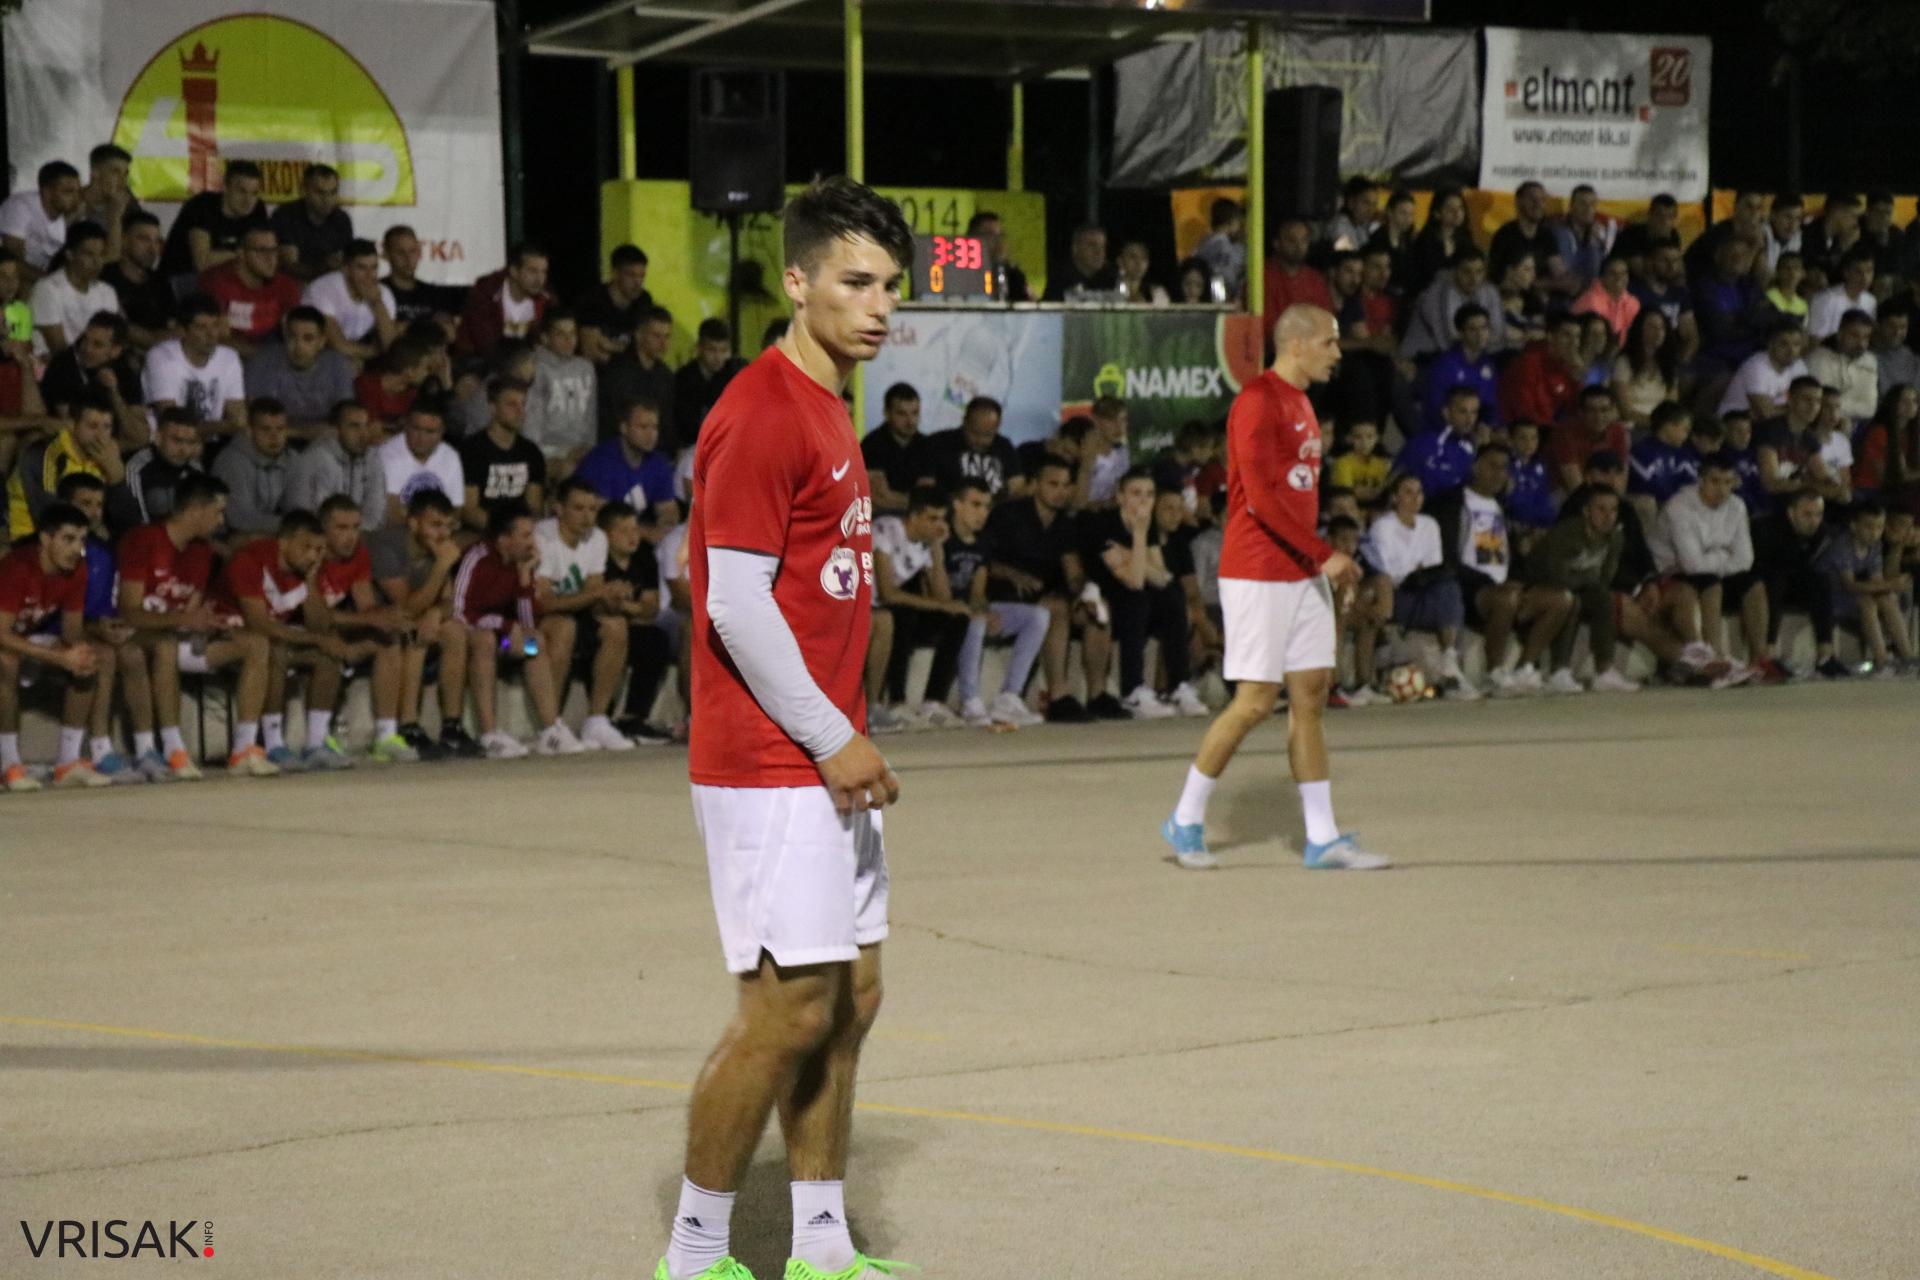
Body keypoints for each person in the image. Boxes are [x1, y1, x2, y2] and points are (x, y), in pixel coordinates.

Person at [662, 175, 910, 1280]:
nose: (879, 306)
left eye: (891, 286)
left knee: (851, 994)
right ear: (798, 280)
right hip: (773, 757)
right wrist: (829, 734)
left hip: (816, 748)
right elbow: (733, 601)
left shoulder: (828, 403)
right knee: (786, 1012)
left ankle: (818, 1244)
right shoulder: (762, 409)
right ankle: (694, 1255)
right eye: (856, 282)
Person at [1163, 304, 1382, 872]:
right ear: (1299, 343)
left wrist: (1319, 560)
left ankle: (1322, 837)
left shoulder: (1303, 403)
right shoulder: (1257, 401)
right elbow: (1259, 499)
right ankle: (1185, 818)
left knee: (1310, 696)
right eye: (1331, 343)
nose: (1338, 354)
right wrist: (1324, 554)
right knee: (1255, 701)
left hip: (1300, 570)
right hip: (1258, 570)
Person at [115, 474, 276, 779]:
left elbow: (191, 609)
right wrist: (185, 620)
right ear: (196, 510)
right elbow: (129, 612)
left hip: (177, 635)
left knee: (256, 643)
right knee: (165, 645)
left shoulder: (201, 552)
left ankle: (244, 749)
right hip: (137, 636)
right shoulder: (144, 540)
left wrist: (206, 624)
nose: (221, 520)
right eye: (217, 511)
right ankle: (172, 749)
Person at [1427, 443, 1582, 695]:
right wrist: (1487, 581)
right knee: (1506, 598)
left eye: (1504, 468)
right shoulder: (1452, 503)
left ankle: (1524, 667)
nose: (1499, 473)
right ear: (1475, 467)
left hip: (1504, 585)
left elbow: (1510, 557)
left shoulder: (1504, 507)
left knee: (1561, 600)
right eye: (1492, 466)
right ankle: (1494, 671)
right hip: (1469, 589)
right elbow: (1448, 558)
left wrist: (1520, 579)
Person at [214, 508, 357, 771]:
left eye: (319, 549)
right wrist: (316, 639)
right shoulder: (250, 561)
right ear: (283, 542)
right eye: (307, 547)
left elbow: (321, 625)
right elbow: (259, 624)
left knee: (328, 653)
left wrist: (311, 582)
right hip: (234, 638)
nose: (313, 555)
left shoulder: (305, 569)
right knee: (275, 648)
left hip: (274, 637)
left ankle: (315, 744)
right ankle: (273, 743)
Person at [983, 456, 1111, 722]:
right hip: (1008, 597)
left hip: (1049, 594)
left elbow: (1072, 571)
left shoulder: (1065, 523)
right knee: (1057, 608)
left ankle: (1098, 695)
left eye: (1066, 485)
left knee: (1098, 611)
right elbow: (984, 561)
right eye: (1053, 484)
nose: (1060, 491)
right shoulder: (1008, 515)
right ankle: (1058, 696)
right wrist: (1013, 574)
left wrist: (1087, 593)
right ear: (1035, 484)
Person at [450, 500, 581, 757]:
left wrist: (524, 577)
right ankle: (489, 736)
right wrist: (504, 625)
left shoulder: (522, 562)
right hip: (475, 641)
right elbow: (459, 611)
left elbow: (528, 622)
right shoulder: (476, 557)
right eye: (525, 535)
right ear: (503, 539)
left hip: (506, 644)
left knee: (535, 643)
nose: (532, 541)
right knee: (485, 640)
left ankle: (550, 729)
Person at [0, 500, 113, 790]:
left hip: (24, 640)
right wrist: (56, 656)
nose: (77, 548)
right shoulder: (17, 568)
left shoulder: (77, 569)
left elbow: (72, 629)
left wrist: (76, 653)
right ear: (45, 538)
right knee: (6, 661)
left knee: (91, 656)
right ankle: (9, 764)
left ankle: (67, 761)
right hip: (7, 641)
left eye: (81, 540)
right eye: (68, 539)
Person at [1079, 465, 1207, 718]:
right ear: (1120, 496)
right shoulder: (1103, 525)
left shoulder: (1147, 526)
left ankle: (1178, 685)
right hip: (1104, 597)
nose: (1143, 500)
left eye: (1149, 494)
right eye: (1136, 493)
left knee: (1172, 597)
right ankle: (1132, 691)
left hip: (1136, 597)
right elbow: (1136, 581)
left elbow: (1163, 577)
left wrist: (1129, 553)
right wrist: (1137, 537)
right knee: (1137, 598)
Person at [368, 488, 479, 761]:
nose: (443, 534)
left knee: (454, 631)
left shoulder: (439, 548)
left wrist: (435, 614)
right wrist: (441, 567)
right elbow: (405, 606)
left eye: (447, 526)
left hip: (412, 619)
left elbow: (449, 602)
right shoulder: (387, 547)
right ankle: (407, 726)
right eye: (435, 525)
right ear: (414, 522)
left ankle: (452, 725)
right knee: (417, 635)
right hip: (377, 621)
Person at [531, 477, 632, 752]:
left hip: (572, 612)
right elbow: (543, 603)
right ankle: (550, 725)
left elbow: (592, 593)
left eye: (592, 509)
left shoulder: (597, 538)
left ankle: (597, 720)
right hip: (529, 629)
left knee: (616, 626)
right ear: (559, 509)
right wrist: (598, 593)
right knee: (564, 628)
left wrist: (613, 598)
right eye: (578, 508)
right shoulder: (543, 538)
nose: (587, 517)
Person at [311, 494, 412, 759]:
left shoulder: (358, 555)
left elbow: (365, 604)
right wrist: (369, 619)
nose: (351, 536)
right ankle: (319, 739)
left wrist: (386, 617)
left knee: (387, 638)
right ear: (323, 530)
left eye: (356, 527)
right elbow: (314, 617)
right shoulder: (311, 556)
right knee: (330, 643)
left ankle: (386, 736)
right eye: (341, 528)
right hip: (302, 629)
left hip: (336, 624)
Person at [940, 477, 1046, 727]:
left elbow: (978, 589)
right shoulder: (943, 537)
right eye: (975, 505)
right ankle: (970, 702)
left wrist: (985, 609)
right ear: (957, 504)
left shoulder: (983, 542)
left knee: (1038, 616)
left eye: (986, 506)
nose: (982, 513)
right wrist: (976, 612)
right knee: (974, 621)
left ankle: (1010, 697)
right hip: (944, 611)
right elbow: (938, 592)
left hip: (969, 608)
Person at [1647, 456, 1760, 684]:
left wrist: (1713, 558)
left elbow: (1745, 560)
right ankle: (1715, 657)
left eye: (1728, 482)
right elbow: (1691, 564)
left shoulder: (1737, 506)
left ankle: (1759, 659)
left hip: (1710, 572)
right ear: (1701, 480)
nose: (1722, 489)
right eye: (1715, 481)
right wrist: (1723, 555)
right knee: (1709, 581)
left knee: (1753, 582)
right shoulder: (1679, 506)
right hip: (1670, 574)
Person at [1366, 473, 1477, 697]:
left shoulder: (1429, 525)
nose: (1414, 498)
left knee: (1450, 589)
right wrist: (1413, 570)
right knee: (1445, 594)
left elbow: (1432, 568)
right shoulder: (1383, 527)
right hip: (1395, 595)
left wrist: (1416, 571)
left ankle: (1449, 659)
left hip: (1424, 589)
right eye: (1407, 492)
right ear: (1395, 497)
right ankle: (1448, 665)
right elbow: (1387, 571)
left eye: (1419, 492)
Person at [868, 487, 969, 728]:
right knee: (902, 614)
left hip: (889, 607)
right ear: (913, 516)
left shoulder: (926, 544)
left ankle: (933, 701)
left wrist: (937, 549)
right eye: (932, 518)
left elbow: (943, 598)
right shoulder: (886, 530)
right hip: (868, 604)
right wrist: (940, 604)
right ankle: (896, 701)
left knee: (957, 619)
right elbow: (886, 593)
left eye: (943, 519)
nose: (939, 525)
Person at [595, 501, 674, 742]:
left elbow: (651, 608)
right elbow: (600, 604)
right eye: (624, 531)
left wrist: (624, 605)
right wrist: (630, 608)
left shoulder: (644, 556)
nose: (633, 536)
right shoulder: (598, 556)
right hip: (599, 625)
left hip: (632, 626)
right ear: (606, 535)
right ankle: (601, 717)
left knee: (656, 639)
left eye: (635, 529)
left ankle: (634, 718)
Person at [8, 389, 124, 541]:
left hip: (77, 537)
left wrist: (117, 479)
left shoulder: (107, 456)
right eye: (93, 426)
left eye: (107, 427)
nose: (101, 436)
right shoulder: (46, 455)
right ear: (71, 424)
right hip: (28, 537)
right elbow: (48, 517)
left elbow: (126, 520)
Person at [1817, 501, 1915, 675]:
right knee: (1866, 602)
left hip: (1848, 596)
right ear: (1854, 526)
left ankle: (1908, 656)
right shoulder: (1842, 546)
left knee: (1888, 598)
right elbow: (1850, 585)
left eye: (1879, 527)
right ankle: (1882, 659)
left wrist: (1890, 589)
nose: (1875, 533)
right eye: (1869, 527)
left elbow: (1876, 581)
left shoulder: (1874, 546)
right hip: (1829, 596)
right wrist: (1892, 584)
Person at [1750, 489, 1834, 679]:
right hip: (1760, 584)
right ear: (1791, 513)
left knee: (1821, 581)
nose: (1814, 520)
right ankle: (1768, 653)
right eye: (1807, 514)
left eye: (1818, 515)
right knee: (1776, 580)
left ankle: (1826, 656)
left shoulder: (1821, 533)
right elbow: (1761, 567)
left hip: (1792, 583)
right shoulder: (1767, 530)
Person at [142, 294, 247, 433]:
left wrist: (229, 426)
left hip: (213, 442)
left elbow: (238, 419)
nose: (211, 334)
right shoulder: (161, 358)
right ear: (183, 331)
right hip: (170, 444)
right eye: (201, 327)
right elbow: (173, 422)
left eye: (215, 325)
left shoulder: (229, 357)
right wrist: (224, 426)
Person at [574, 395, 677, 529]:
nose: (650, 434)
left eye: (655, 427)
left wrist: (664, 528)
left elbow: (668, 511)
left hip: (637, 537)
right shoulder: (600, 462)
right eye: (643, 427)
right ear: (624, 428)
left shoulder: (658, 462)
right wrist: (646, 533)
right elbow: (603, 520)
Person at [158, 159, 268, 282]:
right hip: (182, 281)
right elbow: (202, 263)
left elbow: (264, 256)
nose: (248, 200)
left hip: (224, 283)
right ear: (225, 188)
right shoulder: (202, 205)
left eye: (254, 193)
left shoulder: (257, 209)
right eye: (241, 191)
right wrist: (241, 253)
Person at [199, 225, 299, 355]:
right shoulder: (216, 282)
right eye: (262, 251)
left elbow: (295, 333)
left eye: (274, 250)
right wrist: (263, 358)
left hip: (272, 351)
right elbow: (218, 338)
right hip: (231, 355)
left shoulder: (285, 284)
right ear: (241, 254)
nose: (271, 259)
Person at [287, 400, 387, 531]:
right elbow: (317, 517)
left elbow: (375, 513)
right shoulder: (317, 458)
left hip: (357, 536)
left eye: (366, 426)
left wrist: (354, 533)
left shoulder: (372, 458)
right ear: (336, 430)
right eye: (354, 426)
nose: (363, 434)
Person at [523, 308, 598, 475]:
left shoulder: (586, 368)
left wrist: (588, 448)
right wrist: (538, 456)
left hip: (580, 449)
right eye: (560, 334)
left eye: (572, 333)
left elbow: (591, 415)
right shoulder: (536, 367)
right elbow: (531, 422)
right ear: (545, 337)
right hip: (547, 449)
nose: (568, 340)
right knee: (567, 470)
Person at [29, 220, 118, 355]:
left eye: (101, 254)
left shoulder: (107, 292)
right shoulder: (48, 289)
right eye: (89, 254)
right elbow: (59, 349)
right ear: (70, 254)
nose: (97, 262)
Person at [1400, 246, 1504, 361]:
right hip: (1420, 357)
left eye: (1479, 272)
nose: (1474, 279)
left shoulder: (1488, 291)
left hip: (1466, 354)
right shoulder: (1436, 294)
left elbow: (1497, 333)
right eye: (1466, 272)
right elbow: (1447, 341)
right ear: (1454, 271)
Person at [110, 408, 203, 536]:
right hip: (148, 543)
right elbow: (138, 523)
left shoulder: (196, 469)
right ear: (158, 438)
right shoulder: (138, 467)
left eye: (191, 442)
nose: (184, 450)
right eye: (177, 441)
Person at [303, 239, 398, 362]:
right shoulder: (323, 288)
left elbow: (392, 347)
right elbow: (338, 345)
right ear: (346, 269)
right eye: (362, 268)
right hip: (319, 353)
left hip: (359, 354)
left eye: (374, 268)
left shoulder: (383, 293)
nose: (369, 276)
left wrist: (377, 303)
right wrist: (375, 352)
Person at [457, 242, 552, 360]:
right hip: (481, 363)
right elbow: (484, 344)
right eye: (533, 271)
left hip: (527, 364)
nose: (540, 279)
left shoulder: (547, 299)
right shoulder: (485, 295)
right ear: (514, 271)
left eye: (544, 272)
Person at [598, 305, 677, 446]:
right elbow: (609, 422)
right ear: (639, 335)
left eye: (667, 336)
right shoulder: (617, 372)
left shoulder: (666, 376)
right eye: (656, 336)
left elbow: (667, 424)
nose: (663, 343)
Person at [377, 400, 464, 526]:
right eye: (416, 429)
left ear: (442, 431)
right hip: (397, 532)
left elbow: (456, 510)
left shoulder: (450, 456)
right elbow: (391, 513)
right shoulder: (387, 455)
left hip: (437, 531)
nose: (421, 438)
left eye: (430, 432)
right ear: (406, 425)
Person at [99, 210, 172, 354]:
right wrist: (151, 340)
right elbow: (120, 328)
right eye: (144, 239)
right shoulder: (106, 278)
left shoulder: (160, 281)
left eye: (156, 241)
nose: (152, 249)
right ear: (124, 240)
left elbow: (177, 327)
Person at [924, 395, 1023, 501]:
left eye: (987, 435)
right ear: (964, 422)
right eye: (975, 433)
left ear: (997, 427)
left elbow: (1018, 485)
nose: (980, 440)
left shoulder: (1004, 446)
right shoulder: (938, 443)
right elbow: (925, 489)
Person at [1422, 303, 1502, 433]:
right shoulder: (1445, 365)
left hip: (1476, 431)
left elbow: (1491, 406)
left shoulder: (1488, 366)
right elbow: (1436, 408)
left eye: (1484, 328)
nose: (1480, 334)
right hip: (1445, 432)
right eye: (1472, 329)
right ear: (1461, 333)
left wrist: (1489, 425)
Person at [0, 160, 81, 284]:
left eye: (77, 192)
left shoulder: (69, 219)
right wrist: (55, 283)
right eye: (68, 191)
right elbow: (14, 262)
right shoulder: (20, 206)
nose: (76, 198)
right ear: (47, 192)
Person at [269, 163, 354, 282]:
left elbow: (345, 266)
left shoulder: (341, 219)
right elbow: (289, 268)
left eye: (333, 192)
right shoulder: (286, 216)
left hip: (329, 288)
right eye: (320, 193)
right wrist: (326, 266)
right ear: (304, 190)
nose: (327, 200)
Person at [1499, 312, 1583, 429]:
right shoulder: (1529, 363)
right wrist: (1554, 431)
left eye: (1577, 336)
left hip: (1545, 429)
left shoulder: (1566, 365)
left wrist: (1576, 378)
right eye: (1567, 335)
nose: (1574, 343)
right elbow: (1524, 411)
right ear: (1551, 336)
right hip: (1519, 431)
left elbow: (1574, 410)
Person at [860, 382, 932, 515]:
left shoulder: (926, 445)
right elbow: (879, 498)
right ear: (887, 413)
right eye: (902, 414)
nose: (910, 421)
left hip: (917, 521)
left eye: (915, 413)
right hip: (880, 519)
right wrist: (915, 502)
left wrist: (896, 498)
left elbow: (928, 497)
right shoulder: (872, 444)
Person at [673, 318, 746, 448]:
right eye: (712, 350)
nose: (718, 357)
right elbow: (684, 426)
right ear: (699, 348)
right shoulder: (684, 380)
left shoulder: (731, 375)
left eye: (723, 351)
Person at [380, 225, 464, 336]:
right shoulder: (378, 291)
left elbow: (450, 334)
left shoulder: (434, 294)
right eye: (400, 252)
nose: (408, 258)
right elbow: (383, 333)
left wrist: (403, 327)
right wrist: (430, 325)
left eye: (412, 251)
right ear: (386, 254)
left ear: (419, 252)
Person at [1546, 385, 1632, 494]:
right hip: (1562, 491)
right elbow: (1575, 486)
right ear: (1581, 412)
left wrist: (1615, 505)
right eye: (1591, 411)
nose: (1599, 417)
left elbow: (1621, 479)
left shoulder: (1618, 431)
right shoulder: (1564, 433)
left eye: (1604, 410)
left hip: (1601, 490)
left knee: (1646, 504)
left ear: (1612, 411)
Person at [576, 244, 653, 365]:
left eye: (642, 275)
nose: (638, 282)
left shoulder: (644, 300)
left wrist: (608, 345)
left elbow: (648, 348)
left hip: (632, 375)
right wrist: (630, 351)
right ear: (615, 273)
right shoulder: (593, 300)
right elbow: (591, 352)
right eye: (631, 275)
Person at [1399, 387, 1480, 500]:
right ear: (1446, 412)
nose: (1469, 419)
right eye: (1463, 411)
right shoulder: (1421, 444)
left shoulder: (1472, 451)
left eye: (1474, 412)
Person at [1719, 318, 1808, 419]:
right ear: (1770, 345)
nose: (1791, 351)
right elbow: (1766, 413)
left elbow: (1808, 401)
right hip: (1734, 425)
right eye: (1784, 344)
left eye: (1796, 344)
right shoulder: (1756, 366)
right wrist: (1799, 409)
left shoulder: (1799, 366)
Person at [1806, 309, 1879, 426]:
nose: (1861, 344)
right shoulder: (1819, 359)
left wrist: (1838, 406)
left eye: (1866, 337)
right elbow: (1823, 404)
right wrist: (1853, 406)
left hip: (1860, 426)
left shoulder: (1870, 361)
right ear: (1840, 334)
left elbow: (1870, 408)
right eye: (1855, 336)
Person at [1612, 308, 1680, 428]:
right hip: (1633, 426)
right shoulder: (1624, 362)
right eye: (1652, 327)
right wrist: (1657, 424)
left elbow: (1671, 406)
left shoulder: (1669, 364)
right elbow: (1625, 411)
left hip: (1661, 428)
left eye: (1662, 327)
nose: (1658, 332)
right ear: (1640, 329)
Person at [1570, 253, 1639, 345]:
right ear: (1602, 277)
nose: (1619, 278)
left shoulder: (1633, 303)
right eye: (1613, 274)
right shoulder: (1591, 302)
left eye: (1623, 273)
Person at [966, 209, 1032, 302]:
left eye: (1000, 235)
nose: (998, 241)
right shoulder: (962, 275)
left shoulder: (1014, 275)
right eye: (990, 235)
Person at [1044, 222, 1118, 300]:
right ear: (1075, 249)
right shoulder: (1059, 281)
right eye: (1092, 245)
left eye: (1102, 247)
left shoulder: (1112, 279)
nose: (1099, 252)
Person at [1328, 419, 1389, 509]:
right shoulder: (1343, 463)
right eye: (1358, 437)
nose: (1364, 442)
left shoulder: (1382, 464)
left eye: (1369, 437)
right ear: (1349, 439)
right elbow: (1349, 495)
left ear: (1377, 438)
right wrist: (1377, 491)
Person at [1194, 197, 1246, 301]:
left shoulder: (1204, 241)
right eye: (1238, 223)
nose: (1240, 227)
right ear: (1231, 222)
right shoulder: (1223, 245)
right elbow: (1224, 275)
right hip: (1218, 295)